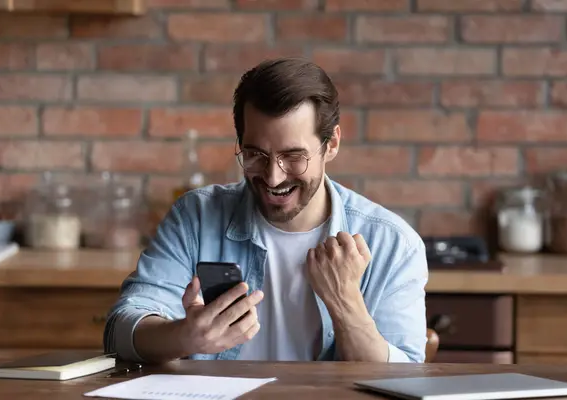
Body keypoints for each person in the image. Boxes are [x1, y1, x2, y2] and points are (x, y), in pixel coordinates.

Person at [103, 57, 428, 364]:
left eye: (294, 155)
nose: (273, 177)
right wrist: (184, 337)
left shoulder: (392, 244)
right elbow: (120, 329)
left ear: (332, 145)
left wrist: (346, 303)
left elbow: (405, 378)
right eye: (255, 153)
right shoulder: (197, 216)